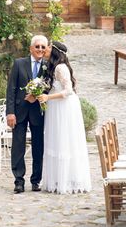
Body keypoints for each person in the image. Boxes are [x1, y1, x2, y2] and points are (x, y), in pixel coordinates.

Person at [37, 41, 91, 194]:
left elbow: (68, 91)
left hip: (64, 107)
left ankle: (67, 180)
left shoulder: (61, 67)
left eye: (47, 47)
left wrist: (48, 98)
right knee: (56, 139)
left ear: (53, 51)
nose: (45, 49)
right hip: (56, 106)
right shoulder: (52, 67)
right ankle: (58, 179)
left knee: (64, 139)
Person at [6, 34, 48, 194]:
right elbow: (11, 89)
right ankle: (19, 181)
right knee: (18, 146)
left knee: (38, 147)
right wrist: (10, 112)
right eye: (37, 46)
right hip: (19, 111)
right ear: (31, 48)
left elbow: (49, 88)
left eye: (43, 47)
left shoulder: (47, 66)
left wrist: (37, 95)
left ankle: (36, 180)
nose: (40, 49)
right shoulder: (19, 64)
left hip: (38, 112)